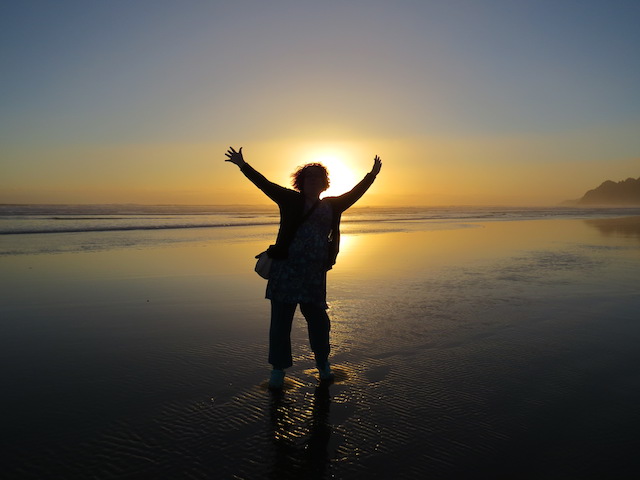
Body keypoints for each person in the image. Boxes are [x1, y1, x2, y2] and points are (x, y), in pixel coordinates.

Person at [224, 147, 382, 389]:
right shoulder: (290, 200)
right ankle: (278, 373)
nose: (314, 181)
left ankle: (323, 365)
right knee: (280, 324)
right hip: (285, 271)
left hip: (313, 275)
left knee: (319, 322)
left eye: (318, 178)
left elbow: (355, 193)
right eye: (309, 177)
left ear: (324, 183)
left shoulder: (332, 205)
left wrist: (371, 175)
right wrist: (242, 165)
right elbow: (264, 184)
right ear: (301, 182)